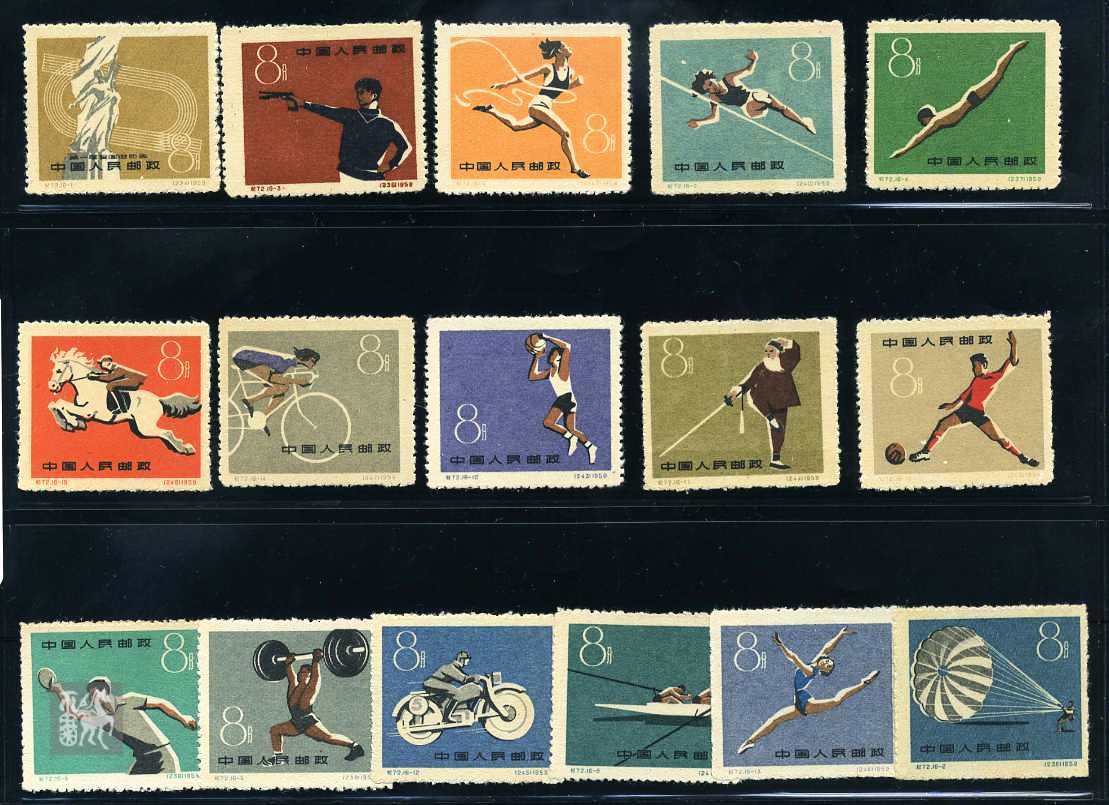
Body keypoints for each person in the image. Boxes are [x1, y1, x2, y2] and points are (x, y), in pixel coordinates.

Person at [736, 628, 879, 755]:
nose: (828, 663)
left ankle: (863, 683)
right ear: (823, 660)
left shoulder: (810, 671)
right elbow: (827, 648)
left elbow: (793, 658)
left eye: (829, 666)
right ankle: (749, 741)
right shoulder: (815, 664)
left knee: (837, 701)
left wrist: (781, 645)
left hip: (804, 701)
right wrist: (840, 635)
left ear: (823, 670)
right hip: (799, 705)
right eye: (828, 662)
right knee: (774, 720)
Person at [908, 330, 1039, 466]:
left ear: (984, 365)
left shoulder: (994, 377)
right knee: (943, 424)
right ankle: (926, 452)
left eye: (975, 366)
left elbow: (1013, 361)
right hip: (966, 410)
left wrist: (1014, 345)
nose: (973, 369)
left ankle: (1023, 457)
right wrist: (952, 405)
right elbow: (965, 395)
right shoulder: (976, 380)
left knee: (1001, 439)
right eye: (973, 366)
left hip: (978, 414)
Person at [472, 38, 590, 178]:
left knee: (515, 126)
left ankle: (491, 110)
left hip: (547, 107)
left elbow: (559, 89)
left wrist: (575, 84)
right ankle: (575, 168)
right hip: (538, 105)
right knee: (566, 133)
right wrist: (505, 84)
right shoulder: (548, 68)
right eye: (565, 46)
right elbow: (525, 77)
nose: (569, 47)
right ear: (559, 52)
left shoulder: (570, 72)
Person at [890, 41, 1028, 158]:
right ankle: (1012, 50)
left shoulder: (935, 121)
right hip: (972, 99)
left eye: (922, 122)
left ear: (926, 117)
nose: (924, 125)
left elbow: (919, 137)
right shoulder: (939, 118)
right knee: (997, 75)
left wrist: (903, 150)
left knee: (997, 74)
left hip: (972, 98)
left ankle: (1013, 49)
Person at [45, 674, 197, 774]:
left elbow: (160, 703)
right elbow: (73, 712)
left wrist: (182, 718)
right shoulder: (101, 719)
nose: (91, 699)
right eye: (90, 696)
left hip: (163, 756)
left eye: (93, 693)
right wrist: (59, 690)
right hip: (142, 760)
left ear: (105, 690)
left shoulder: (129, 699)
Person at [282, 78, 412, 181]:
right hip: (346, 173)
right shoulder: (350, 115)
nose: (358, 96)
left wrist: (391, 165)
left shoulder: (388, 124)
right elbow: (326, 110)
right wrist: (303, 104)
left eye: (361, 92)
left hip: (372, 177)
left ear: (373, 95)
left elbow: (406, 147)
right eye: (357, 92)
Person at [688, 50, 816, 134]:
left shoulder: (728, 79)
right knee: (751, 105)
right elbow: (714, 117)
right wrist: (699, 122)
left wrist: (754, 60)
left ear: (713, 78)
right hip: (749, 110)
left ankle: (804, 122)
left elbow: (748, 71)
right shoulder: (714, 98)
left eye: (711, 84)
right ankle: (767, 103)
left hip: (754, 96)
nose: (712, 88)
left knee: (780, 107)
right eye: (708, 89)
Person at [269, 650, 364, 761]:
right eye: (300, 672)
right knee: (275, 730)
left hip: (308, 722)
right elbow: (291, 677)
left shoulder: (310, 689)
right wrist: (288, 664)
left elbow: (316, 678)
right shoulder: (295, 687)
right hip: (295, 722)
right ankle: (278, 758)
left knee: (328, 737)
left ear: (309, 676)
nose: (300, 674)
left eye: (304, 673)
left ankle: (355, 747)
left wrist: (315, 661)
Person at [724, 338, 802, 470]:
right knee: (756, 395)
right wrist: (733, 395)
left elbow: (796, 354)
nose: (768, 353)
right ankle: (769, 416)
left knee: (779, 429)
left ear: (778, 351)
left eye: (771, 351)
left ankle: (775, 460)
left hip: (781, 401)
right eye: (766, 351)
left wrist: (787, 342)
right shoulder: (762, 366)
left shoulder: (785, 364)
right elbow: (748, 382)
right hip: (763, 399)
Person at [527, 333, 598, 464]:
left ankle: (570, 438)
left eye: (558, 355)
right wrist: (536, 357)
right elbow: (532, 376)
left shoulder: (562, 370)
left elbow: (567, 347)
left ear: (560, 358)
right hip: (569, 400)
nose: (554, 356)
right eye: (553, 354)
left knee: (548, 422)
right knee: (571, 429)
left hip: (566, 398)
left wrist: (547, 337)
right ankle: (590, 446)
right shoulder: (550, 372)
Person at [231, 345, 321, 434]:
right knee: (272, 378)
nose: (314, 364)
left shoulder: (291, 361)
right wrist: (298, 381)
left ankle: (263, 419)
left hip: (250, 358)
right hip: (243, 357)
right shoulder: (285, 361)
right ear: (303, 358)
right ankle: (250, 401)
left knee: (282, 390)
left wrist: (297, 380)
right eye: (313, 361)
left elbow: (277, 377)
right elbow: (274, 377)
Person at [423, 651, 482, 722]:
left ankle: (446, 711)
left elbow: (465, 677)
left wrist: (473, 678)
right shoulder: (449, 667)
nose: (468, 661)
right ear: (462, 659)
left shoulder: (456, 667)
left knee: (453, 691)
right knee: (456, 692)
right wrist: (475, 677)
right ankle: (447, 716)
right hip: (432, 683)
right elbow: (463, 679)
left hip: (438, 683)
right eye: (467, 659)